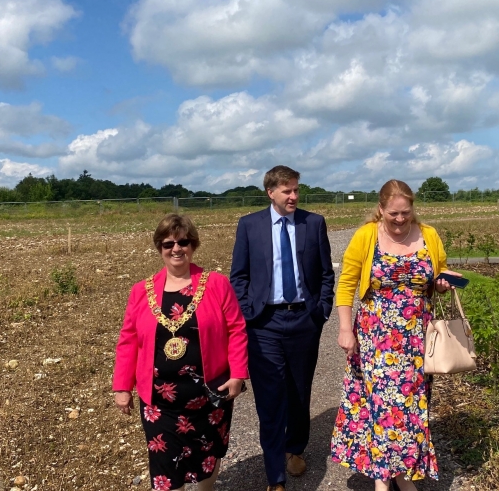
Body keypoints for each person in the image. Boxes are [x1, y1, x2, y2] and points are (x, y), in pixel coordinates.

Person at [330, 179, 457, 491]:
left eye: (406, 213)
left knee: (412, 406)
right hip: (376, 336)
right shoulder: (366, 236)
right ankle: (386, 481)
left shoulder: (428, 234)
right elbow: (346, 285)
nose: (400, 220)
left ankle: (398, 473)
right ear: (380, 210)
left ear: (413, 208)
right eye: (393, 214)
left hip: (418, 337)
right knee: (385, 405)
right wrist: (345, 329)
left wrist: (445, 282)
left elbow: (441, 271)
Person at [113, 214, 248, 491]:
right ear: (159, 248)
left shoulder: (217, 284)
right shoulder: (141, 291)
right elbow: (128, 340)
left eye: (183, 242)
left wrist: (237, 374)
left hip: (209, 395)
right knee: (164, 465)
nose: (176, 249)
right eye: (168, 244)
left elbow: (236, 330)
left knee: (207, 457)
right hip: (158, 402)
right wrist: (122, 387)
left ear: (193, 245)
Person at [230, 165, 335, 491]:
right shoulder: (249, 226)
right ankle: (275, 475)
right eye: (287, 190)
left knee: (299, 391)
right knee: (270, 397)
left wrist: (321, 312)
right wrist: (249, 314)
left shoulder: (313, 223)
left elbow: (326, 274)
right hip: (265, 325)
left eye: (296, 190)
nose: (293, 196)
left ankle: (295, 448)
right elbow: (239, 276)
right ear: (270, 192)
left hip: (304, 320)